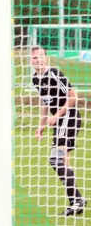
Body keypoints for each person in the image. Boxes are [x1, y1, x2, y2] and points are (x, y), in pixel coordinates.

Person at [31, 46, 86, 216]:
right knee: (63, 162)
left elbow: (73, 97)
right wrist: (41, 124)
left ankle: (77, 201)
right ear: (30, 61)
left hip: (69, 118)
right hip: (60, 122)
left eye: (41, 56)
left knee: (55, 160)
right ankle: (76, 201)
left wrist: (57, 116)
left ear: (46, 58)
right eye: (34, 58)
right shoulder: (35, 79)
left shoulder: (54, 74)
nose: (38, 60)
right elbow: (45, 103)